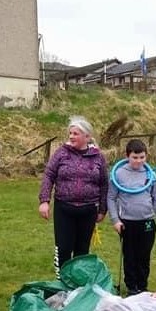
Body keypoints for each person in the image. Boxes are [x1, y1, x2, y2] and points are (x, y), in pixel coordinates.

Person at [38, 116, 108, 276]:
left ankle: (78, 284)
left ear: (87, 137)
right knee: (63, 248)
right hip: (64, 209)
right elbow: (49, 175)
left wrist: (102, 209)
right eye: (70, 133)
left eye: (76, 133)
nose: (71, 136)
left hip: (89, 210)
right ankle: (62, 281)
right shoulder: (61, 153)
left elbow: (104, 183)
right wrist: (44, 200)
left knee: (82, 250)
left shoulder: (98, 157)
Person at [107, 139, 156, 295]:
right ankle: (132, 287)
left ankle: (143, 286)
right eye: (135, 157)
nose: (139, 161)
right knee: (130, 256)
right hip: (127, 223)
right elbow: (111, 198)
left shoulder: (150, 173)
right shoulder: (119, 174)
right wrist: (115, 220)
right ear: (127, 156)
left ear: (146, 156)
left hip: (147, 221)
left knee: (144, 256)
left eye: (142, 157)